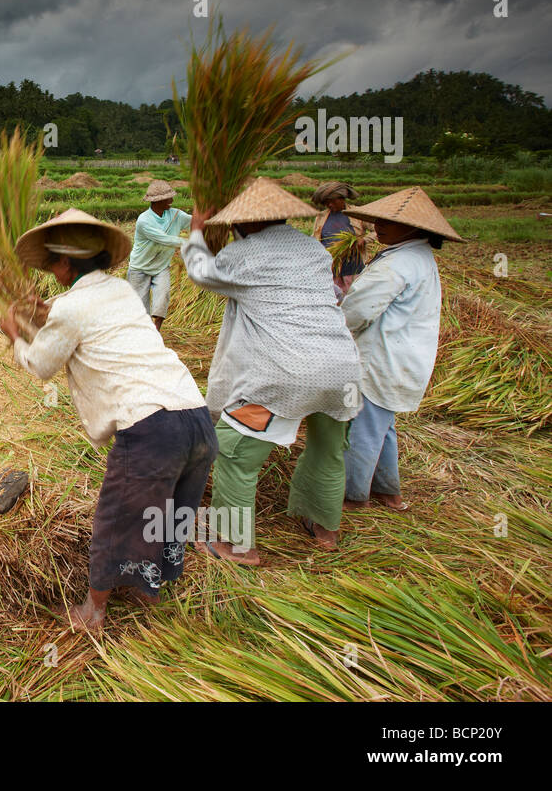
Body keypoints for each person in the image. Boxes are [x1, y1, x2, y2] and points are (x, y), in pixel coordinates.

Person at [2, 208, 215, 633]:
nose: (51, 270)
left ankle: (92, 612)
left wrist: (15, 333)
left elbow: (42, 365)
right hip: (195, 415)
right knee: (169, 511)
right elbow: (83, 319)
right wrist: (43, 313)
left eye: (53, 263)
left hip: (152, 428)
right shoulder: (119, 292)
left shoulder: (72, 307)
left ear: (66, 264)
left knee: (116, 517)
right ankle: (148, 591)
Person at [181, 177, 361, 562]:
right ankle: (325, 529)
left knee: (234, 451)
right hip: (342, 370)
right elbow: (333, 296)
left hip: (286, 376)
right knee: (329, 452)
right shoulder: (313, 250)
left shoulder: (242, 254)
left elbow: (199, 270)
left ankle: (234, 544)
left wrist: (196, 230)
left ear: (241, 223)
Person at [340, 187, 463, 513]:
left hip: (383, 360)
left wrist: (333, 324)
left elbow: (357, 312)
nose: (379, 226)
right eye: (379, 220)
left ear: (414, 227)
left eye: (389, 222)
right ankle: (388, 494)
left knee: (363, 429)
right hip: (403, 358)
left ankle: (353, 497)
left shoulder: (397, 264)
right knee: (383, 427)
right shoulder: (417, 257)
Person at [126, 179, 192, 330]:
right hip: (140, 267)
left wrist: (211, 221)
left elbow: (194, 223)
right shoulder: (144, 220)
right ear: (157, 201)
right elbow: (165, 239)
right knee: (140, 307)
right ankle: (143, 333)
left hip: (161, 266)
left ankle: (156, 330)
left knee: (163, 297)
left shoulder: (176, 215)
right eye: (168, 198)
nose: (172, 200)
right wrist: (189, 243)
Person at [311, 181, 367, 296]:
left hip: (353, 268)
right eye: (326, 203)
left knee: (353, 298)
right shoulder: (321, 217)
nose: (330, 205)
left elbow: (377, 230)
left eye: (332, 201)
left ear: (342, 199)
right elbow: (314, 238)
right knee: (333, 298)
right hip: (330, 268)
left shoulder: (357, 214)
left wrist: (364, 240)